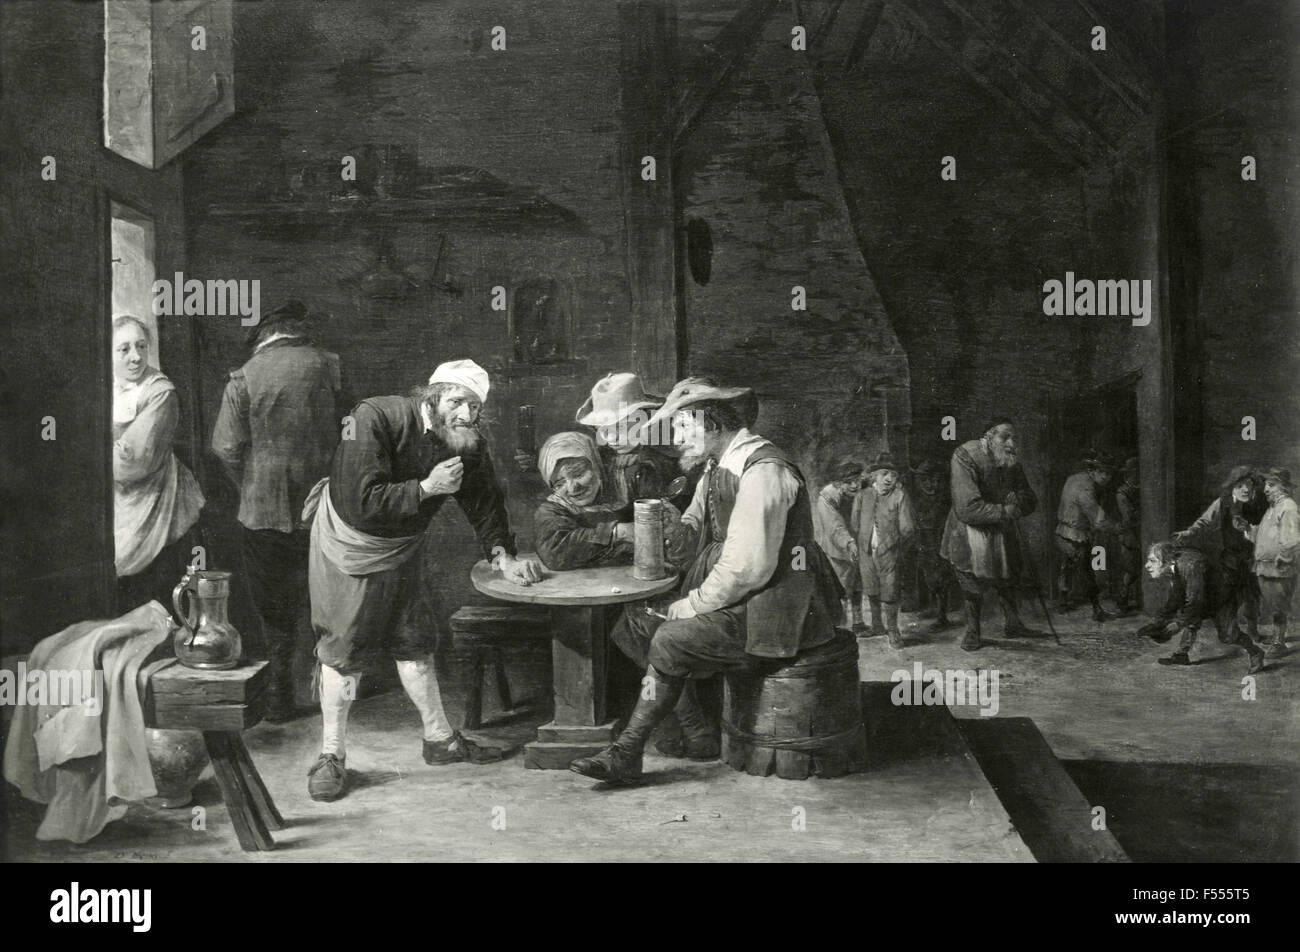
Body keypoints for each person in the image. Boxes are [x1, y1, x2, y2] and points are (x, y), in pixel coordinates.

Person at [572, 378, 843, 785]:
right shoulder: (717, 466)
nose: (676, 439)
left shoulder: (763, 470)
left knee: (668, 637)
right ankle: (697, 733)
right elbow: (694, 527)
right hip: (740, 598)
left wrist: (691, 604)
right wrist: (669, 523)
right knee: (634, 622)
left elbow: (748, 567)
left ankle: (627, 751)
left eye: (682, 427)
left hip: (777, 609)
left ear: (711, 423)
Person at [302, 359, 543, 802]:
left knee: (414, 638)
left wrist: (502, 555)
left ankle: (439, 739)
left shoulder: (465, 439)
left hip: (402, 549)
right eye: (457, 402)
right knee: (343, 651)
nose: (466, 415)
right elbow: (360, 501)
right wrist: (427, 489)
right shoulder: (371, 417)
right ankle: (331, 755)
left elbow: (485, 502)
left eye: (473, 406)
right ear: (431, 396)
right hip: (349, 548)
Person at [211, 300, 346, 721]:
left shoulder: (243, 377)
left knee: (275, 610)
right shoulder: (329, 366)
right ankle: (334, 694)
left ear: (263, 336)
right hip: (324, 507)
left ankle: (279, 697)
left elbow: (225, 447)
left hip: (263, 514)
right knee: (327, 603)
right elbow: (351, 431)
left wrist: (251, 483)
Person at [111, 315, 205, 613]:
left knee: (158, 597)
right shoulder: (104, 388)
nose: (135, 356)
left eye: (141, 346)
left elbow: (132, 461)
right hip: (119, 504)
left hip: (158, 503)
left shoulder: (160, 392)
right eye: (123, 349)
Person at [939, 418, 1043, 651]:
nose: (1010, 442)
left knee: (1009, 575)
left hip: (1001, 527)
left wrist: (1020, 501)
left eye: (1013, 437)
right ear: (988, 436)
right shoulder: (965, 455)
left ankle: (1013, 623)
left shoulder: (1011, 460)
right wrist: (1005, 510)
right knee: (971, 580)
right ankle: (973, 632)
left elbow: (1030, 498)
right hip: (970, 529)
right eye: (1005, 437)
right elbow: (967, 507)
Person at [1172, 465, 1266, 651]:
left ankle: (1253, 631)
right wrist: (1189, 532)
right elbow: (1205, 521)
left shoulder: (1258, 504)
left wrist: (1250, 531)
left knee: (1252, 597)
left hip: (1252, 558)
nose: (1246, 489)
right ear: (1232, 487)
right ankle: (1189, 647)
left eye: (1249, 485)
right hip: (1228, 560)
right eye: (1240, 486)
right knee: (1218, 598)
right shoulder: (1222, 503)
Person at [1137, 542, 1265, 674]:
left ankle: (1255, 653)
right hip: (1203, 596)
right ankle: (1181, 655)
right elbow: (1175, 597)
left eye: (1152, 560)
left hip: (1221, 598)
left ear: (1167, 560)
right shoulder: (1172, 567)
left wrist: (1177, 624)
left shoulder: (1189, 566)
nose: (1147, 565)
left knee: (1228, 636)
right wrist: (1157, 622)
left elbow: (1194, 600)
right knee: (1189, 617)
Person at [533, 431, 633, 570]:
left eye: (578, 474)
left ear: (596, 465)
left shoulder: (624, 488)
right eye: (559, 484)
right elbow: (554, 552)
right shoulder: (552, 510)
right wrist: (617, 532)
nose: (573, 488)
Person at [851, 452, 917, 648]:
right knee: (871, 588)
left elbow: (908, 528)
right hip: (866, 551)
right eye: (885, 473)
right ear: (874, 476)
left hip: (890, 551)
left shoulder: (900, 496)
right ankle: (877, 625)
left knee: (890, 591)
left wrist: (893, 543)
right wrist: (864, 539)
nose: (889, 478)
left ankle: (892, 630)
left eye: (893, 475)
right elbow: (855, 523)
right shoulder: (863, 495)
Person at [1055, 450, 1119, 621]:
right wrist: (1118, 528)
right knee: (1088, 571)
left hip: (1062, 532)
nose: (1107, 477)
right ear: (1094, 470)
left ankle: (1062, 602)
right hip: (1074, 535)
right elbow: (1097, 518)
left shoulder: (1075, 478)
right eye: (1103, 472)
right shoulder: (1086, 487)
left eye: (1110, 473)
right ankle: (1097, 609)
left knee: (1067, 567)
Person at [1250, 468, 1299, 658]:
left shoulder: (1288, 507)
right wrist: (1250, 529)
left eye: (1271, 485)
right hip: (1267, 566)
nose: (1266, 489)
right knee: (1274, 604)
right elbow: (1266, 535)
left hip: (1279, 567)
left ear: (1284, 487)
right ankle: (1279, 637)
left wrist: (1284, 558)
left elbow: (1292, 539)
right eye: (1266, 485)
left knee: (1279, 605)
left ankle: (1279, 642)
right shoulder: (1274, 508)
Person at [813, 457, 864, 631]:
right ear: (838, 483)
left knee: (858, 585)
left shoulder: (864, 492)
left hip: (859, 545)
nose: (854, 486)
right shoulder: (827, 498)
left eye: (857, 481)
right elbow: (834, 526)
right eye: (848, 482)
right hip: (837, 550)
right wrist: (848, 543)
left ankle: (858, 622)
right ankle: (840, 626)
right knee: (840, 588)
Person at [911, 459, 955, 631]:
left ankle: (942, 615)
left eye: (935, 480)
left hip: (940, 544)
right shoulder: (919, 500)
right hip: (925, 545)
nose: (931, 484)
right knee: (929, 577)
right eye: (926, 480)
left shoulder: (944, 501)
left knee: (942, 579)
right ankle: (934, 608)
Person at [1114, 457, 1142, 614]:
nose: (1137, 475)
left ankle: (1134, 600)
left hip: (1138, 533)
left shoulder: (1137, 489)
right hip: (1129, 535)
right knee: (1130, 569)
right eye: (1135, 473)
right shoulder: (1122, 493)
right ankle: (1122, 601)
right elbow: (1128, 517)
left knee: (1137, 568)